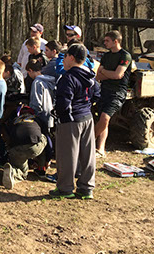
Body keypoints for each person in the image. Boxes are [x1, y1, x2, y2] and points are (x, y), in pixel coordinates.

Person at [49, 44, 100, 200]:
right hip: (87, 117)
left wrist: (59, 114)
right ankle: (86, 188)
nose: (63, 60)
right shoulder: (90, 76)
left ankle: (65, 188)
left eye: (64, 57)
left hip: (70, 120)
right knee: (88, 154)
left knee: (67, 155)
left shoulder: (68, 77)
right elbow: (97, 95)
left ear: (71, 57)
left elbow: (63, 102)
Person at [95, 30, 132, 157]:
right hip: (104, 90)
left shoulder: (125, 56)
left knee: (105, 118)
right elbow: (98, 76)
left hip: (117, 92)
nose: (104, 43)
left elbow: (118, 75)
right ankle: (100, 148)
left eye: (107, 41)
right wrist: (108, 74)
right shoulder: (106, 56)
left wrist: (105, 72)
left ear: (115, 41)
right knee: (103, 120)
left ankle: (89, 140)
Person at [2, 106, 47, 189]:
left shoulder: (15, 121)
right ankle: (41, 168)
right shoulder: (37, 119)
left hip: (17, 149)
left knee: (22, 170)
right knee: (43, 137)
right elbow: (47, 140)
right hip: (33, 148)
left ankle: (14, 172)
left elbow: (8, 138)